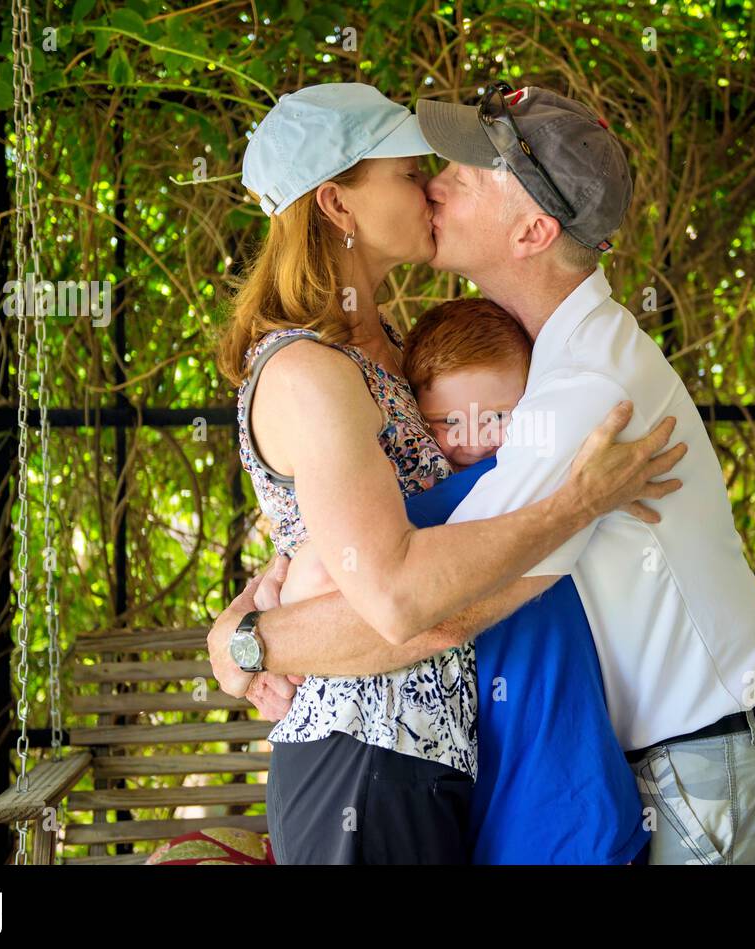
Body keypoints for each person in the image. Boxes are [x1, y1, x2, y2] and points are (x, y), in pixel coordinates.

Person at [210, 81, 755, 865]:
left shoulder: (580, 387)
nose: (434, 182)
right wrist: (248, 631)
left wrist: (252, 642)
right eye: (416, 169)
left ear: (532, 228)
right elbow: (381, 556)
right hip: (387, 757)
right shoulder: (476, 363)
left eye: (464, 170)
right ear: (336, 207)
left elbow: (438, 602)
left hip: (680, 770)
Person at [269, 297, 649, 864]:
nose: (473, 439)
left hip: (561, 819)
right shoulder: (453, 513)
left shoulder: (502, 487)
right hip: (523, 807)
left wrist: (255, 631)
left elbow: (320, 570)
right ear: (417, 418)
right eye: (447, 422)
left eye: (497, 417)